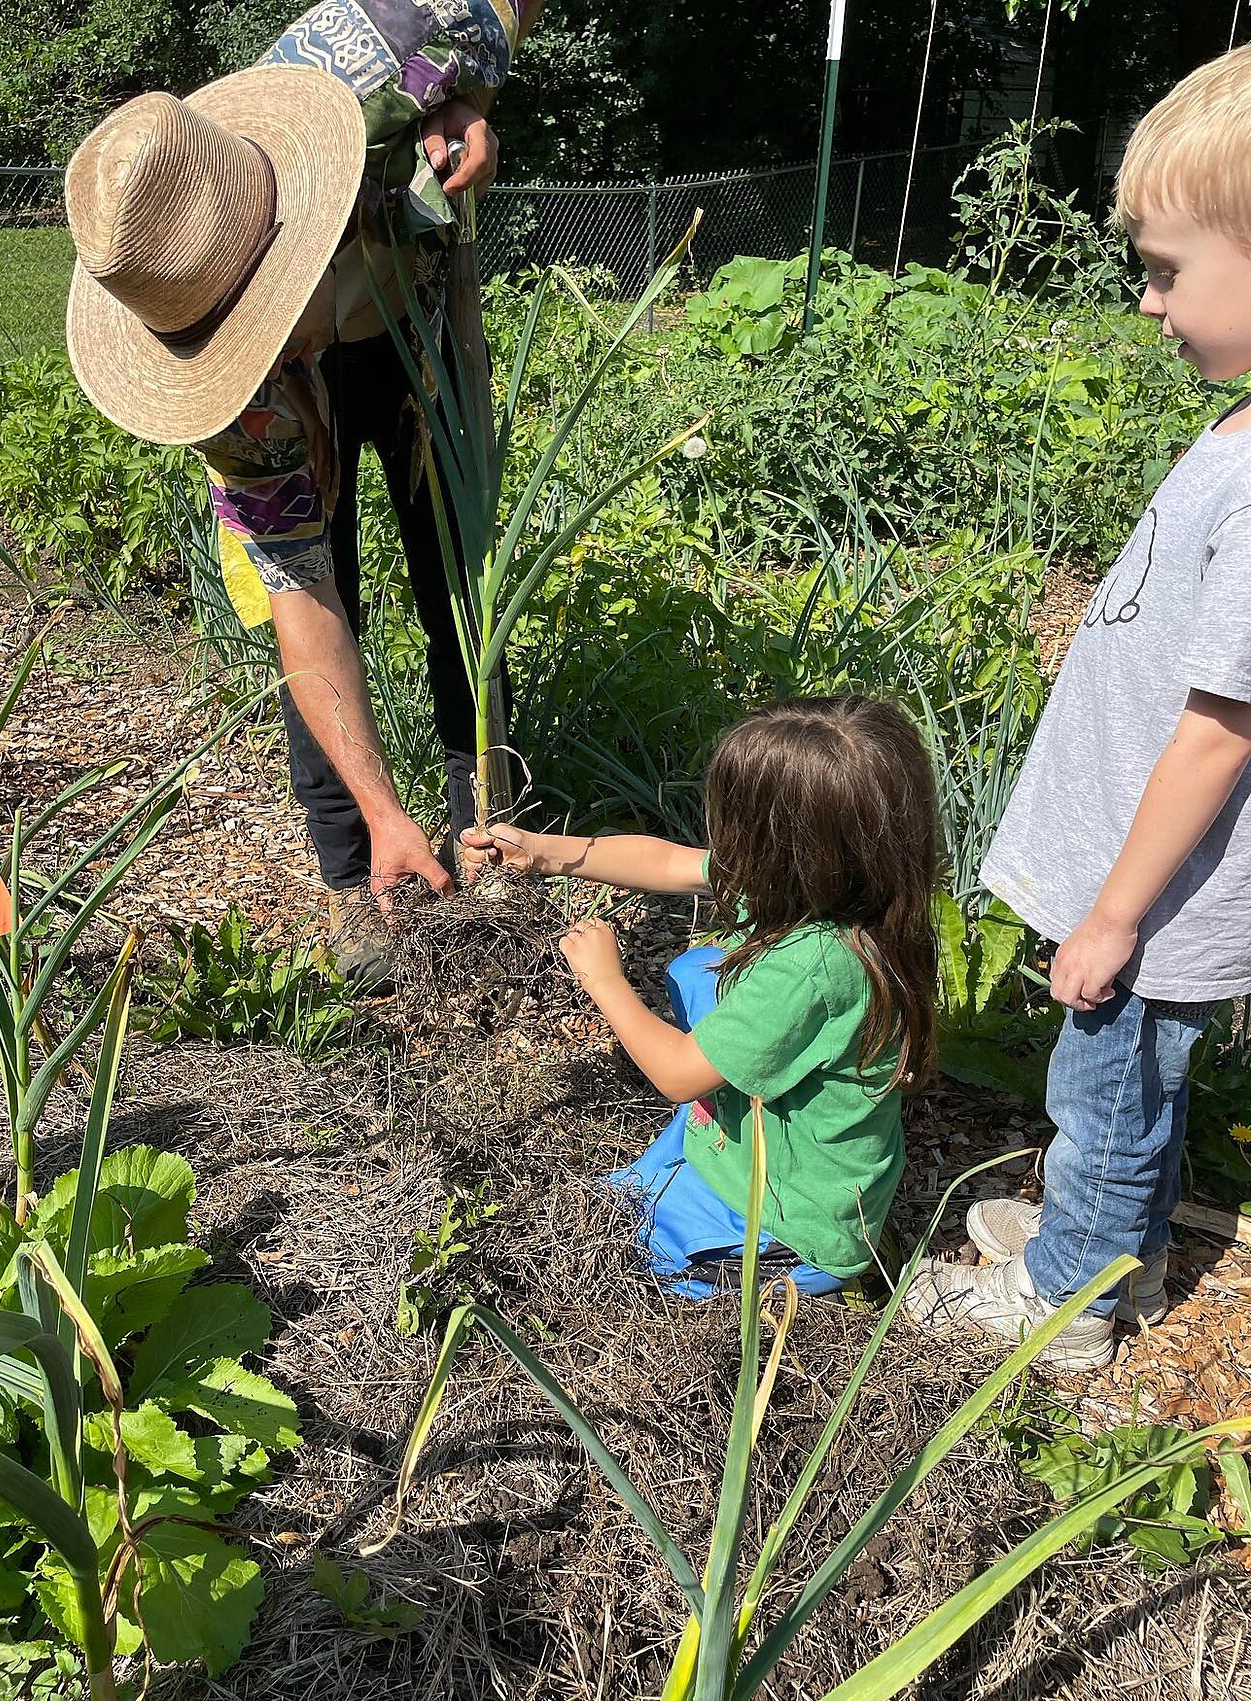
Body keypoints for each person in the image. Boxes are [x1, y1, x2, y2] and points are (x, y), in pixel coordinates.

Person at [63, 3, 542, 990]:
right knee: (333, 592)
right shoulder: (235, 401)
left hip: (412, 324)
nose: (271, 347)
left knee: (461, 579)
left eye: (272, 319)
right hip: (314, 387)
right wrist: (380, 807)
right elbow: (305, 610)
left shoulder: (391, 47)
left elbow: (501, 13)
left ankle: (492, 832)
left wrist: (472, 111)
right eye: (246, 338)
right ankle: (364, 872)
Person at [904, 44, 1251, 1372]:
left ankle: (1066, 1304)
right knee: (1127, 1086)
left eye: (1169, 270)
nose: (1150, 302)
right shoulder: (1237, 428)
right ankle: (1127, 1242)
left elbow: (1225, 725)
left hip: (1158, 896)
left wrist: (1115, 909)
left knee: (1104, 1088)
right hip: (1144, 880)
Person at [463, 696, 940, 1298]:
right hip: (774, 1147)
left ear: (787, 848)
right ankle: (713, 1156)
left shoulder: (814, 967)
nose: (724, 844)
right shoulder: (846, 891)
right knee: (699, 971)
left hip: (790, 1210)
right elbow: (667, 860)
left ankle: (785, 1269)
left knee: (623, 1249)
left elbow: (679, 1075)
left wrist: (605, 981)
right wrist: (544, 851)